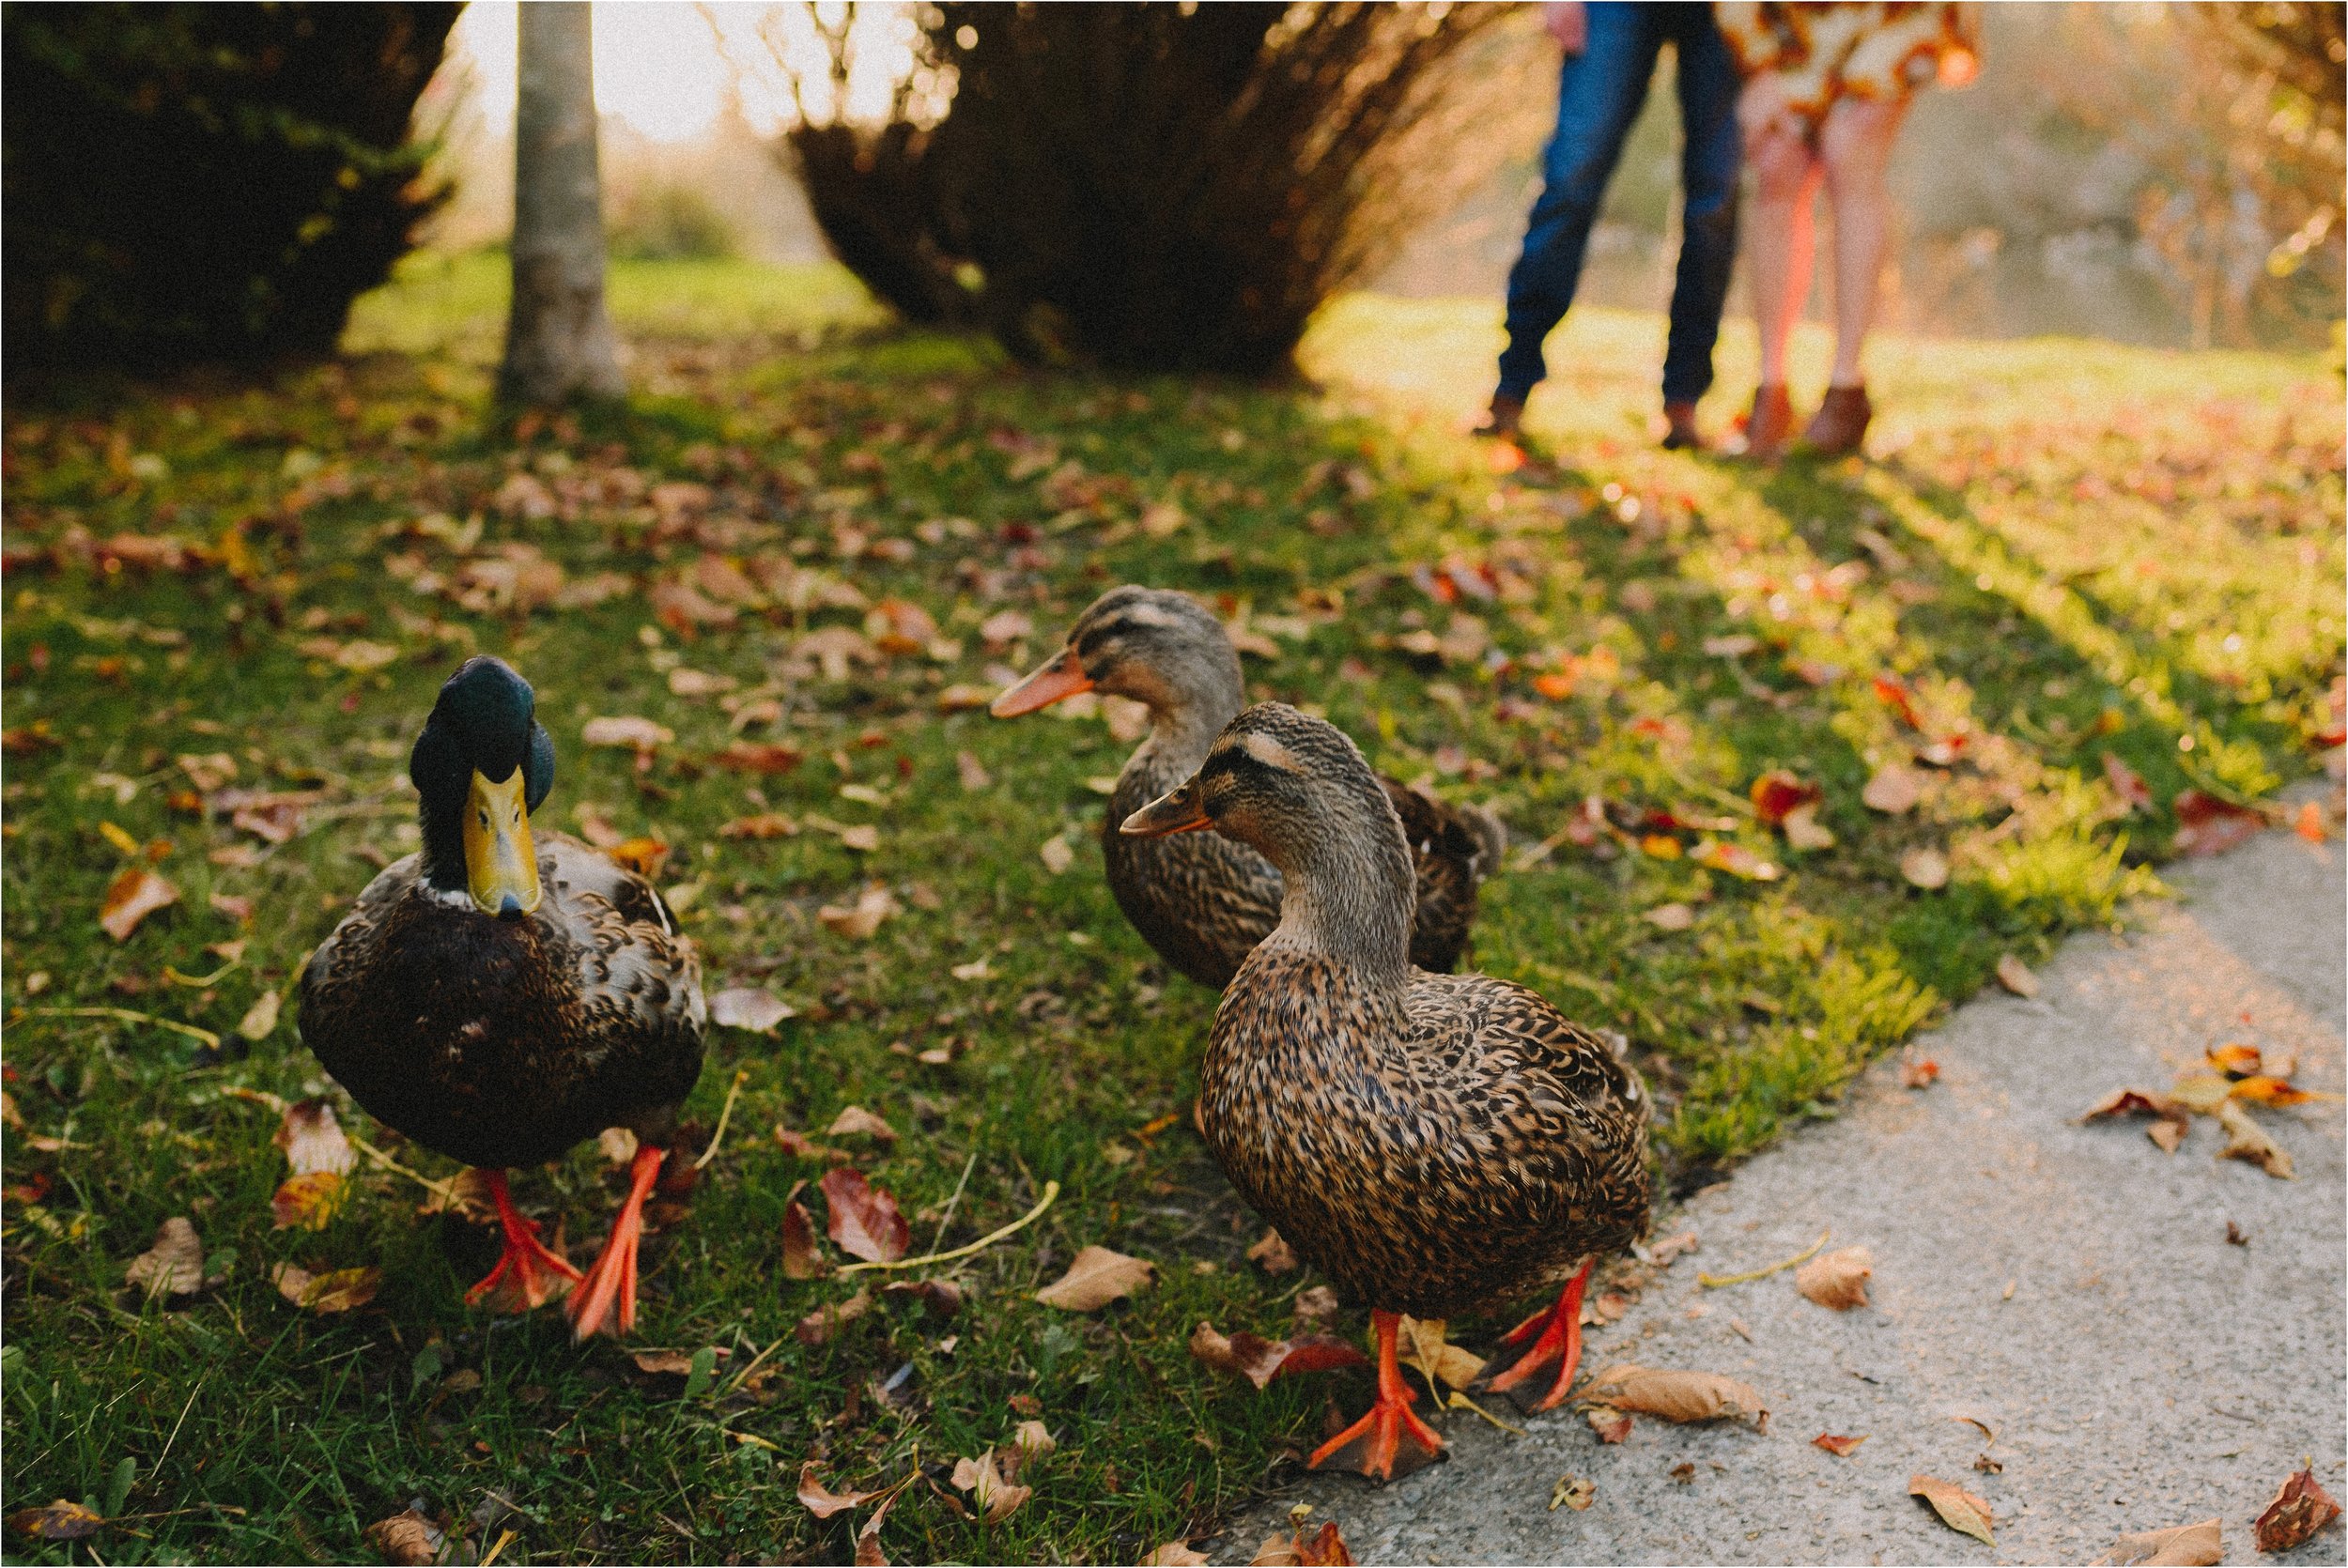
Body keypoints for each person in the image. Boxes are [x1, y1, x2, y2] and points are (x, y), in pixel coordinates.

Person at [1716, 3, 1979, 458]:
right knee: (1777, 163)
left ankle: (1845, 387)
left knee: (1848, 148)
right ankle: (1771, 388)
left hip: (1893, 16)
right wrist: (1757, 64)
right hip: (1798, 28)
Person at [1483, 2, 1744, 452]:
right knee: (1572, 176)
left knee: (1714, 198)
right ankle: (1512, 385)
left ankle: (1684, 400)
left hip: (1726, 11)